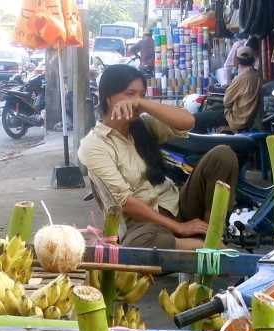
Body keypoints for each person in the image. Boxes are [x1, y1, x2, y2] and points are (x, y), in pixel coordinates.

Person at [78, 64, 238, 250]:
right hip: (143, 225)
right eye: (130, 94)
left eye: (142, 94)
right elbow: (125, 202)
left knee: (223, 154)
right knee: (138, 244)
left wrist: (143, 104)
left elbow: (188, 121)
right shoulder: (94, 145)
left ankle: (212, 233)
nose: (136, 100)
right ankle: (205, 247)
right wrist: (180, 227)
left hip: (178, 206)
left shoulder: (144, 125)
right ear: (109, 98)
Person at [192, 46, 261, 133]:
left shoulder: (241, 79)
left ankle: (205, 145)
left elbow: (227, 101)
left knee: (193, 120)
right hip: (247, 116)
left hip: (236, 118)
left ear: (238, 61)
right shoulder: (257, 75)